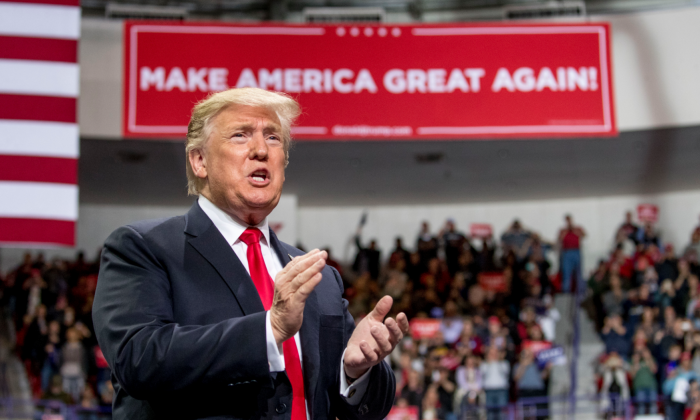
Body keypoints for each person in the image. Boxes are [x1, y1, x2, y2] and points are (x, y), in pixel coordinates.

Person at [93, 88, 408, 420]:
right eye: (240, 135)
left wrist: (354, 371)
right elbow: (138, 361)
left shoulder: (319, 277)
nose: (261, 150)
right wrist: (268, 331)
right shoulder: (143, 248)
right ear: (199, 160)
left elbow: (367, 408)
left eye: (273, 138)